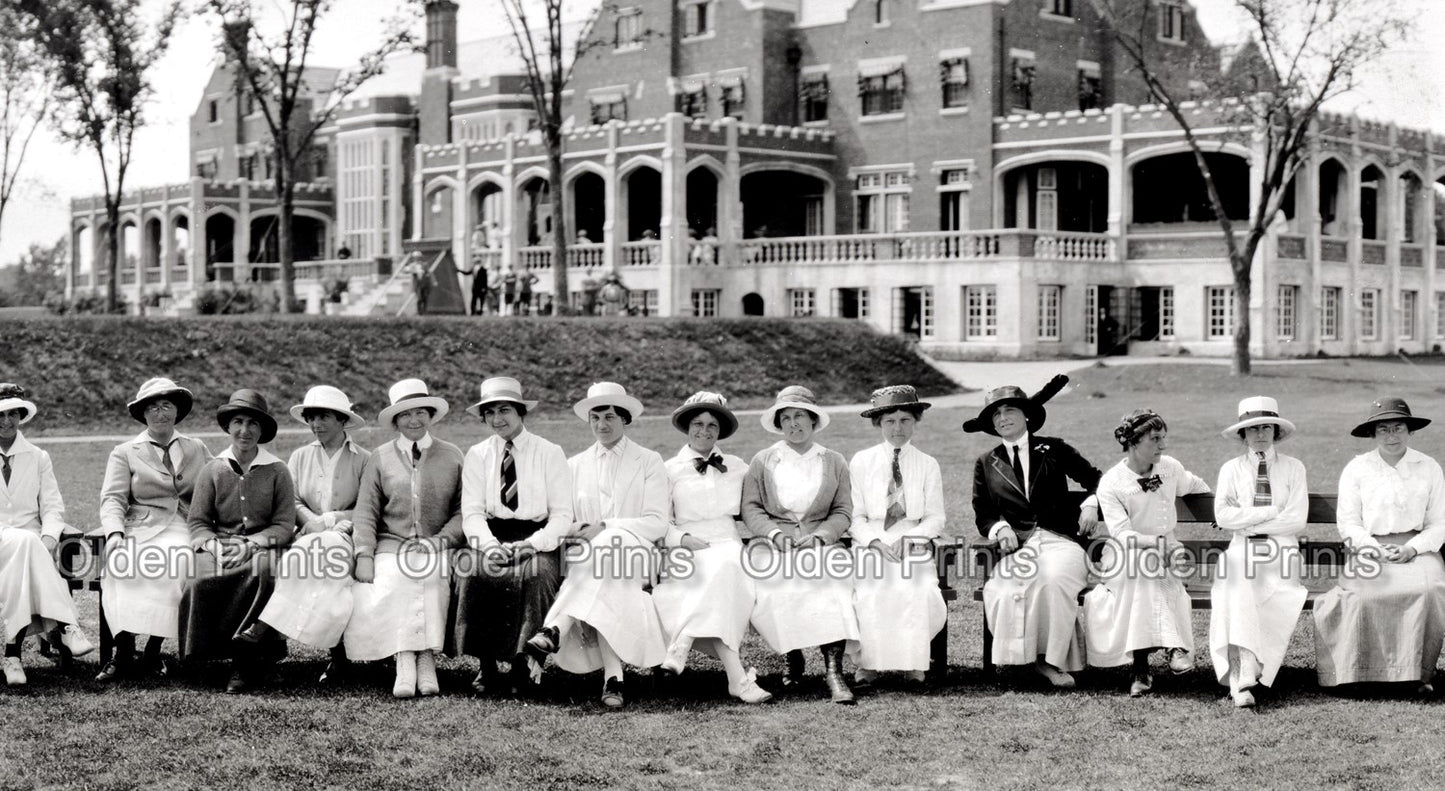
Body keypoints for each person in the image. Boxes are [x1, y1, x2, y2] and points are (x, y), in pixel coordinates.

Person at [524, 382, 668, 709]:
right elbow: (564, 520)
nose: (602, 425)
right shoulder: (574, 465)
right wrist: (583, 530)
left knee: (610, 545)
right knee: (602, 575)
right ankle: (613, 677)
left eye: (610, 417)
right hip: (590, 559)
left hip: (637, 552)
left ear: (625, 418)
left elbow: (657, 522)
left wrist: (605, 526)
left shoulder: (648, 461)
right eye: (595, 418)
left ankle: (555, 627)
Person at [967, 376, 1100, 688]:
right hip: (1019, 546)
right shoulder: (987, 462)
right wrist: (1000, 528)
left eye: (1009, 410)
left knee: (1052, 580)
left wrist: (1091, 504)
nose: (1003, 418)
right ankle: (1021, 660)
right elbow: (983, 512)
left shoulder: (1055, 449)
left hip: (1062, 541)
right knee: (1004, 586)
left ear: (1026, 415)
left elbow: (1096, 479)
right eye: (996, 415)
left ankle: (1050, 661)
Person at [450, 377, 573, 696]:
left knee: (536, 577)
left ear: (520, 412)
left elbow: (562, 515)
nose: (497, 419)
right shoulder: (477, 454)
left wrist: (531, 544)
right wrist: (489, 546)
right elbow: (472, 512)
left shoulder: (550, 452)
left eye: (504, 410)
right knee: (474, 573)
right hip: (491, 534)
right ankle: (486, 665)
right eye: (489, 413)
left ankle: (524, 664)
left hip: (538, 536)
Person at [1314, 397, 1445, 693]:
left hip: (1418, 549)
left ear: (1409, 431)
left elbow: (1440, 522)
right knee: (1361, 595)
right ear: (1373, 434)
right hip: (1370, 548)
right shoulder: (1358, 469)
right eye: (1383, 429)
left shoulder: (1428, 466)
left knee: (1427, 590)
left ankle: (1417, 675)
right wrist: (1373, 548)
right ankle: (1363, 675)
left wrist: (1412, 548)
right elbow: (1348, 522)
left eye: (1398, 427)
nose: (1391, 435)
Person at [347, 379, 466, 699]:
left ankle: (426, 659)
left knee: (432, 576)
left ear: (430, 415)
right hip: (391, 544)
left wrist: (440, 540)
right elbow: (366, 511)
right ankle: (404, 660)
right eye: (406, 415)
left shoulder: (452, 455)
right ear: (396, 421)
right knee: (396, 577)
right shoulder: (380, 457)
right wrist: (365, 554)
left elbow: (463, 510)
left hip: (435, 543)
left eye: (420, 413)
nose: (414, 420)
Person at [741, 385, 858, 704]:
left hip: (819, 542)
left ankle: (834, 671)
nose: (794, 424)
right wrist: (774, 535)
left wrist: (822, 536)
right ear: (779, 423)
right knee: (778, 586)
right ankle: (793, 657)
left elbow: (843, 510)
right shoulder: (763, 460)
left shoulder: (833, 461)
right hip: (774, 544)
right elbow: (750, 507)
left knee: (832, 584)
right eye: (787, 417)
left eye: (800, 416)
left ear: (814, 420)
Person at [652, 391, 772, 703]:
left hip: (727, 543)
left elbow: (761, 504)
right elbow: (660, 520)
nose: (704, 431)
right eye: (697, 424)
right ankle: (738, 679)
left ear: (720, 431)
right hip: (687, 546)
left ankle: (683, 642)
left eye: (712, 426)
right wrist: (681, 540)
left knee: (726, 566)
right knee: (717, 581)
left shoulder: (737, 466)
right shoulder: (669, 469)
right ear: (686, 427)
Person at [1083, 409, 1211, 697]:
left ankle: (1140, 669)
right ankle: (1174, 647)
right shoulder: (1113, 482)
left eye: (1163, 438)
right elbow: (1123, 535)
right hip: (1124, 554)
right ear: (1132, 441)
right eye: (1155, 439)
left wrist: (1216, 509)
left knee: (1147, 572)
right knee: (1142, 567)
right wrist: (1156, 544)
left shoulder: (1169, 468)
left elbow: (1194, 484)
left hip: (1168, 550)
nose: (1162, 445)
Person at [95, 378, 212, 683]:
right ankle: (121, 652)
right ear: (143, 414)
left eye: (167, 405)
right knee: (120, 565)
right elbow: (112, 499)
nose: (160, 413)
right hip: (140, 525)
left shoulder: (196, 447)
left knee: (173, 559)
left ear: (177, 411)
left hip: (182, 524)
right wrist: (115, 535)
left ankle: (153, 649)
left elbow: (217, 481)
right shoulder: (125, 451)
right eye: (153, 407)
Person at [179, 389, 296, 694]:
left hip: (261, 546)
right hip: (221, 545)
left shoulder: (278, 471)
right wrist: (215, 547)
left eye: (253, 424)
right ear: (228, 427)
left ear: (262, 431)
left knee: (263, 572)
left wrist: (253, 543)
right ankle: (201, 658)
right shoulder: (213, 469)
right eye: (238, 422)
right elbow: (198, 522)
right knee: (197, 578)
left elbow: (285, 524)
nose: (245, 431)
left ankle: (246, 660)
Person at [254, 386, 370, 684]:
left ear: (342, 420)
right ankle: (332, 654)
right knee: (306, 556)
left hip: (348, 537)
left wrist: (334, 519)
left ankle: (266, 629)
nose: (316, 424)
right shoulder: (300, 456)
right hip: (307, 535)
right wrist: (313, 521)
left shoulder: (365, 459)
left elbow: (370, 507)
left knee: (329, 554)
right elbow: (290, 500)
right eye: (312, 417)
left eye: (324, 417)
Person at [1209, 396, 1308, 708]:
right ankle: (1241, 676)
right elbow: (1223, 516)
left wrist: (1248, 521)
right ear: (1243, 434)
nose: (1260, 434)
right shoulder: (1231, 469)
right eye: (1252, 429)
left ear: (1275, 431)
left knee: (1251, 583)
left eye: (1266, 427)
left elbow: (1297, 519)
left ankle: (1246, 672)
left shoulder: (1293, 468)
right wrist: (1266, 513)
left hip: (1282, 552)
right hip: (1242, 547)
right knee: (1237, 579)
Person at [848, 385, 946, 688]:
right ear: (879, 424)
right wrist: (874, 543)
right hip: (872, 538)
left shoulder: (928, 463)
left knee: (918, 589)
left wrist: (913, 538)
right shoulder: (861, 462)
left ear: (915, 421)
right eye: (890, 421)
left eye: (905, 420)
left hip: (911, 537)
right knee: (872, 589)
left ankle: (913, 664)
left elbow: (936, 516)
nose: (898, 428)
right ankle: (869, 666)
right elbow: (855, 516)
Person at [0, 383, 95, 687]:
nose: (6, 421)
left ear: (21, 416)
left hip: (30, 544)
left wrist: (50, 539)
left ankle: (12, 656)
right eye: (0, 415)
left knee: (28, 545)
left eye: (12, 414)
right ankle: (66, 625)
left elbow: (53, 508)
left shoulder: (38, 456)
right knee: (27, 544)